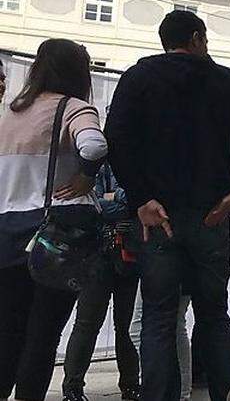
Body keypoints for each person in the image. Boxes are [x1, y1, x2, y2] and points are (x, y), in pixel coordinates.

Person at [106, 10, 230, 401]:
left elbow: (115, 139)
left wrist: (140, 200)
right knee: (214, 316)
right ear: (198, 37)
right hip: (211, 214)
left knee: (159, 318)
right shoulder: (225, 79)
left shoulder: (139, 77)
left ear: (165, 41)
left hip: (158, 217)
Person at [0, 39, 105, 400]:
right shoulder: (75, 108)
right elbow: (93, 145)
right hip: (53, 238)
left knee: (8, 332)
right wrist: (87, 175)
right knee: (42, 337)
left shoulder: (11, 112)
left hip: (6, 235)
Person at [61, 163, 141, 401]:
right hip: (103, 253)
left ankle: (129, 385)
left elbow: (133, 201)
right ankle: (74, 386)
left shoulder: (125, 164)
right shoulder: (99, 164)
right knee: (89, 324)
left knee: (122, 326)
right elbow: (92, 204)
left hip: (126, 253)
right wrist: (120, 201)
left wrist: (111, 197)